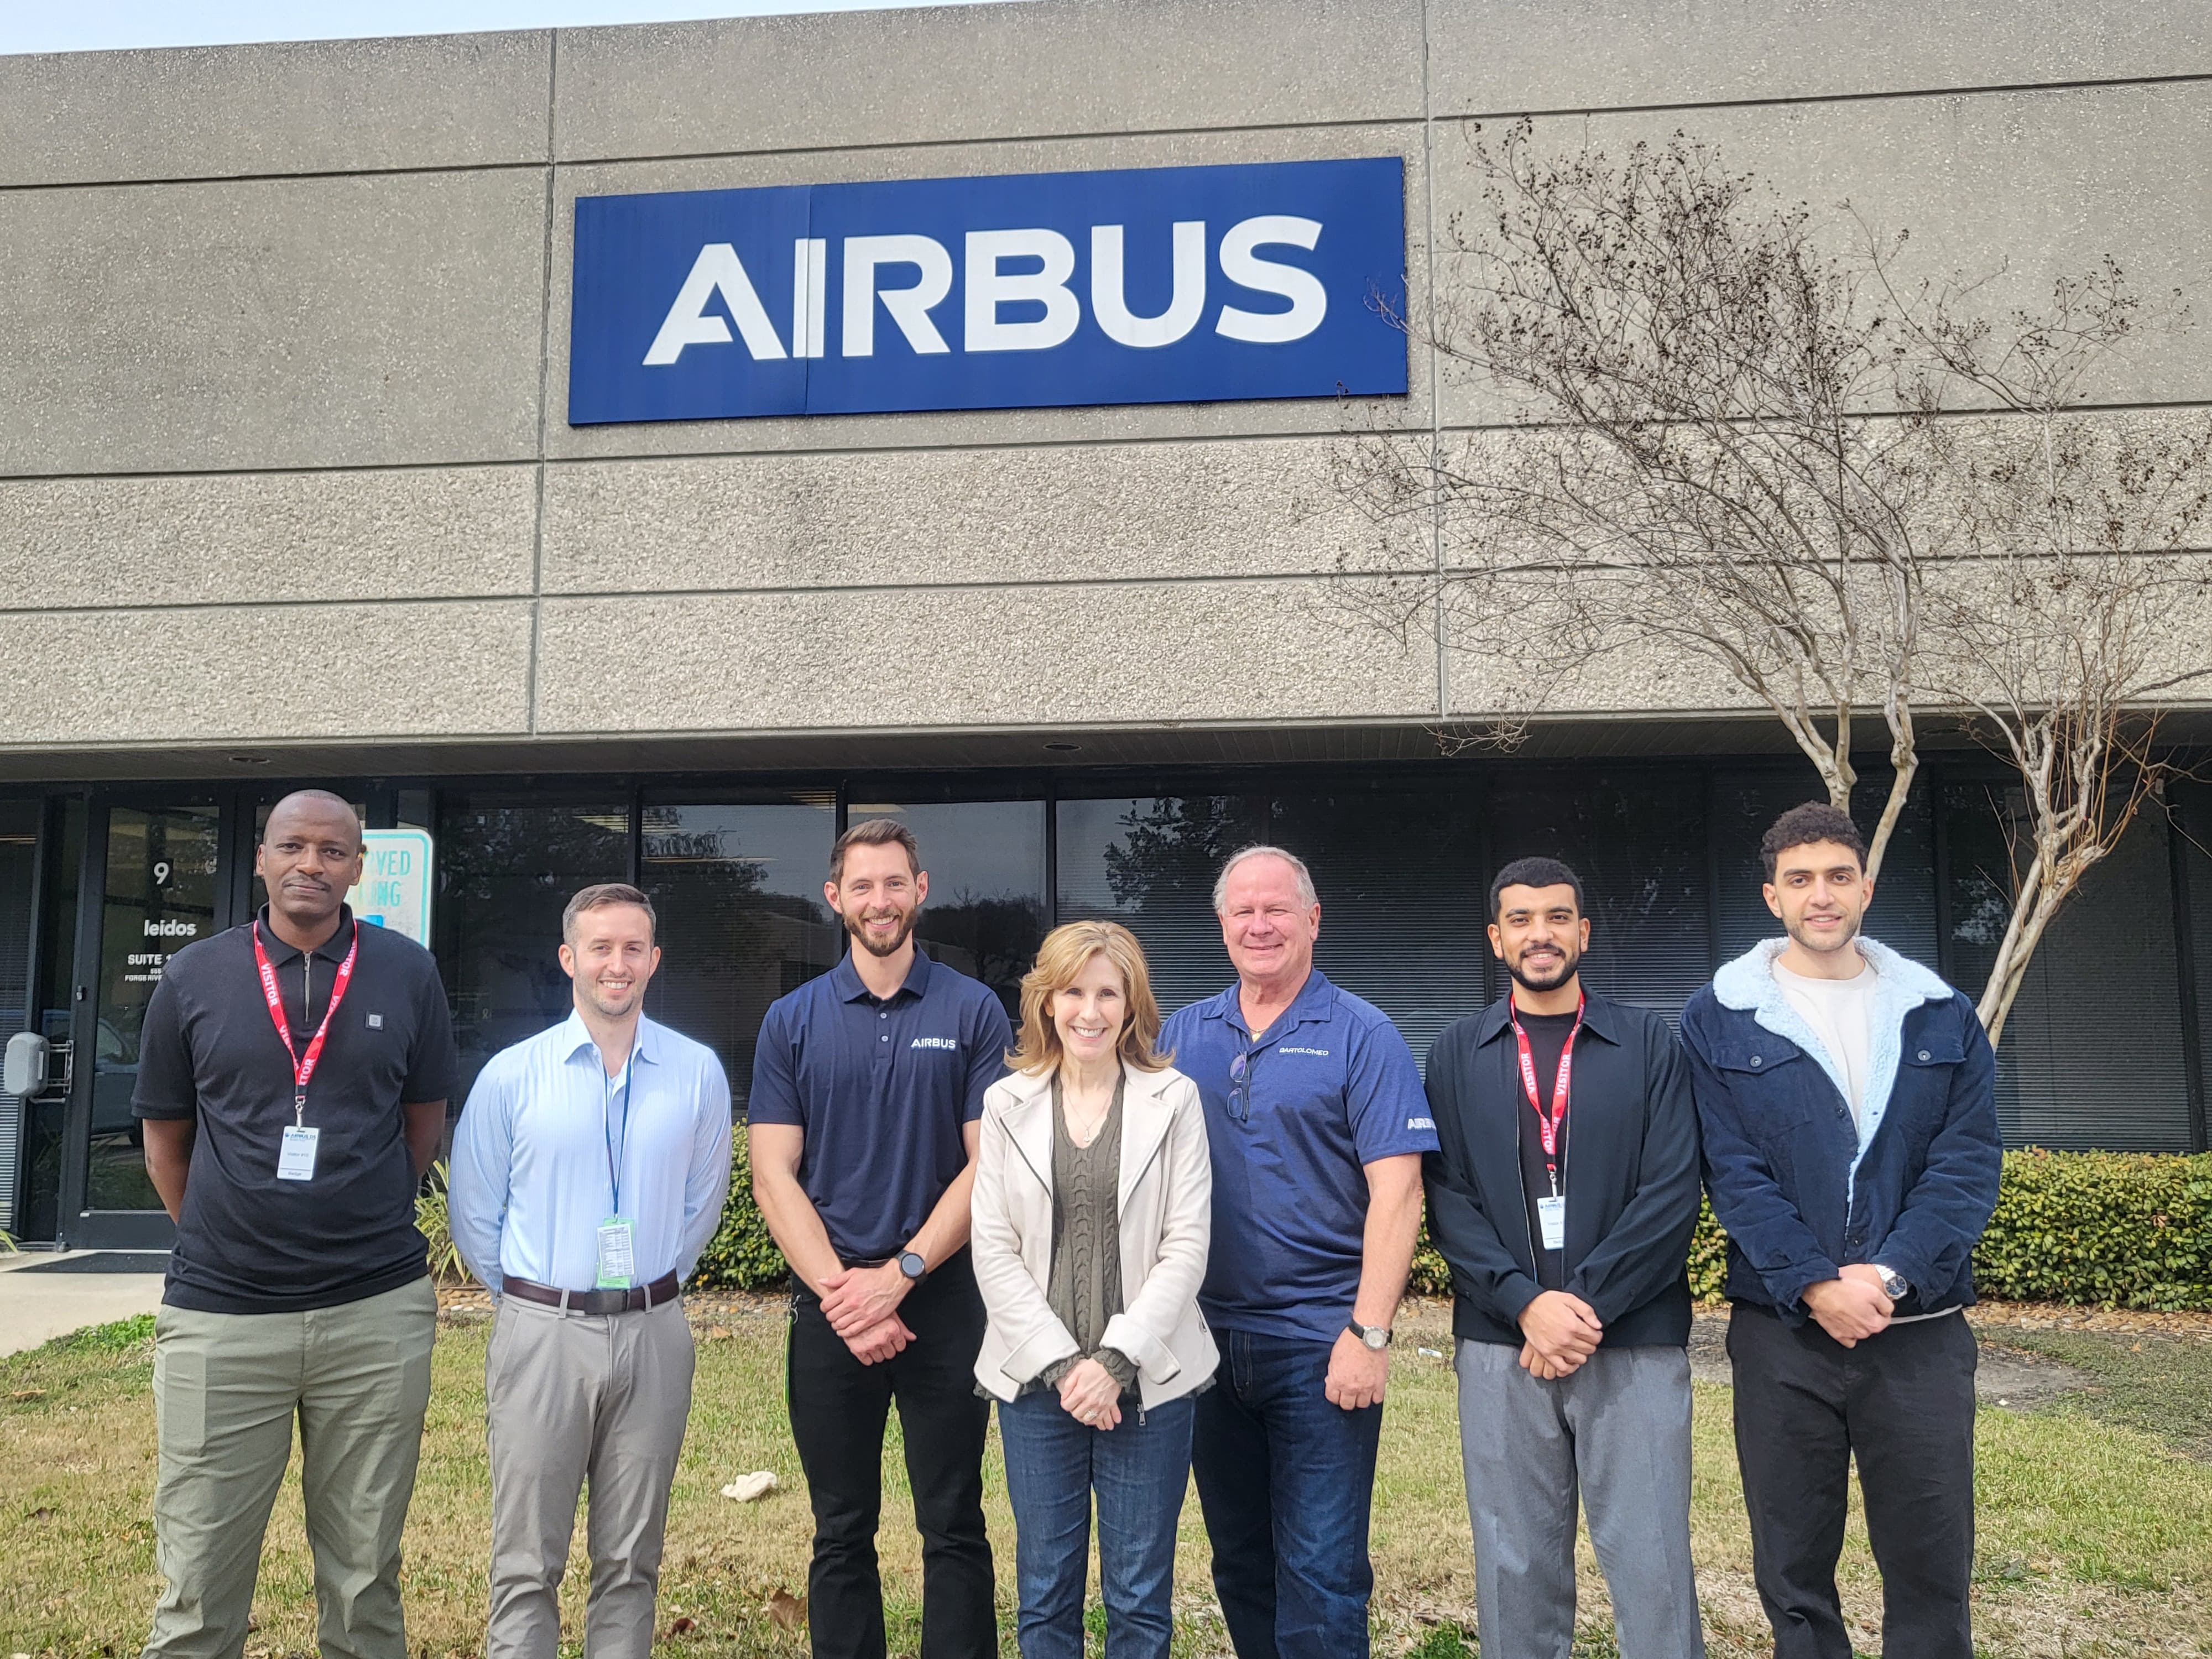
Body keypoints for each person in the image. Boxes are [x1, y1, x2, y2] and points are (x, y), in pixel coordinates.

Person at [132, 790, 457, 1659]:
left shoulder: (406, 971)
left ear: (358, 866)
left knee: (364, 1577)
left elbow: (422, 1120)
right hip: (222, 1318)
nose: (312, 864)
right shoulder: (195, 975)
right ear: (262, 859)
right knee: (198, 1579)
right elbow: (166, 1136)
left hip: (373, 1315)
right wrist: (223, 1225)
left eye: (333, 851)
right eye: (294, 847)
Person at [1681, 802, 2002, 1659]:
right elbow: (1730, 1171)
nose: (1820, 896)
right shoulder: (1719, 1018)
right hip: (1784, 1332)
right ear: (1771, 896)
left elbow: (1966, 1165)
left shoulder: (1940, 1013)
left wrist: (1889, 1278)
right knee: (1792, 1570)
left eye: (1837, 876)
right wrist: (1818, 1283)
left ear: (1866, 886)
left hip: (1920, 1336)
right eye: (1800, 880)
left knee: (1931, 1564)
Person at [1423, 857, 1706, 1659]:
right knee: (1514, 1567)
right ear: (1495, 938)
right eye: (1520, 919)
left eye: (1556, 917)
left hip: (1634, 1342)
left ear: (1584, 931)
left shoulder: (1650, 1044)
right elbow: (1448, 1201)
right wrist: (1525, 1304)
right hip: (1499, 1346)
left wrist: (1579, 1306)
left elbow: (1673, 1191)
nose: (1539, 934)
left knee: (1651, 1563)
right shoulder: (1455, 1053)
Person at [1159, 845, 1435, 1659]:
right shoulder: (1184, 1032)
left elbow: (1400, 1193)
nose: (1259, 924)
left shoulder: (1362, 1034)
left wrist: (1370, 1333)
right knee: (1240, 1564)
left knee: (1322, 1572)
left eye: (1277, 908)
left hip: (1323, 1346)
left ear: (1314, 920)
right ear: (1220, 927)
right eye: (1242, 910)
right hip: (1205, 1346)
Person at [747, 818, 1013, 1659]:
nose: (880, 901)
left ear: (921, 889)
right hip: (831, 1310)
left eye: (894, 883)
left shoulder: (973, 1011)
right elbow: (772, 1175)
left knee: (954, 1521)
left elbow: (989, 1165)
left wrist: (898, 1277)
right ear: (835, 899)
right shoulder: (792, 1019)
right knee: (840, 1526)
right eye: (861, 886)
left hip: (941, 1302)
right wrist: (845, 1295)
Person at [447, 883, 733, 1659]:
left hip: (654, 1334)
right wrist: (537, 1303)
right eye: (600, 948)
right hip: (542, 1333)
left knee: (632, 1561)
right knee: (524, 1562)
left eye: (633, 948)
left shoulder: (697, 1072)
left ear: (654, 960)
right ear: (570, 958)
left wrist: (648, 1288)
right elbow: (475, 1215)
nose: (618, 964)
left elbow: (702, 1204)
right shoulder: (512, 1075)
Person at [972, 921, 1215, 1659]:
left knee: (1140, 1600)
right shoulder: (1007, 1102)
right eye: (1073, 991)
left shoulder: (1175, 1101)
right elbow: (994, 1248)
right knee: (1045, 1595)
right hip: (1038, 1388)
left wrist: (1112, 1364)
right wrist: (1062, 1365)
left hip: (1146, 1387)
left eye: (1107, 992)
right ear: (1047, 1001)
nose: (1089, 1010)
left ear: (1132, 1004)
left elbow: (1187, 1245)